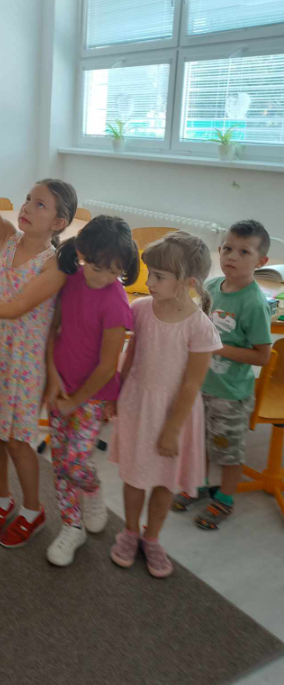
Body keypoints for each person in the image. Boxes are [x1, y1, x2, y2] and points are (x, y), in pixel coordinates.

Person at [0, 215, 139, 566]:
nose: (101, 276)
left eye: (113, 271)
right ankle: (72, 526)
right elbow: (52, 328)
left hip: (92, 397)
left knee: (74, 462)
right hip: (61, 388)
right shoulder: (70, 279)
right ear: (83, 253)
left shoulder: (116, 303)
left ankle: (91, 488)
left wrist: (76, 400)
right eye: (96, 266)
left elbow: (108, 367)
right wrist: (53, 376)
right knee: (60, 463)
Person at [0, 133, 77, 549]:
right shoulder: (7, 239)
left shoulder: (55, 265)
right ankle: (1, 498)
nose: (27, 207)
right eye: (28, 199)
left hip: (24, 361)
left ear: (59, 223)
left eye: (39, 205)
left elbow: (16, 308)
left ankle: (32, 508)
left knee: (16, 439)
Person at [109, 232, 222, 578]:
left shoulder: (200, 327)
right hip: (138, 406)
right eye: (150, 273)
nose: (149, 282)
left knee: (163, 482)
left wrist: (172, 429)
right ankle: (130, 531)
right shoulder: (140, 309)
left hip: (176, 416)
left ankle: (152, 537)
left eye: (158, 276)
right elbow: (130, 355)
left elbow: (191, 384)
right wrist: (114, 394)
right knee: (134, 476)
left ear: (188, 283)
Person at [172, 220, 272, 529]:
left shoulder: (254, 302)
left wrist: (216, 347)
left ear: (261, 261)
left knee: (228, 451)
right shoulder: (213, 287)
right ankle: (199, 485)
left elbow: (262, 356)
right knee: (199, 442)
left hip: (230, 394)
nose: (232, 256)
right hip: (201, 385)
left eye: (244, 252)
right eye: (228, 248)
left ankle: (225, 499)